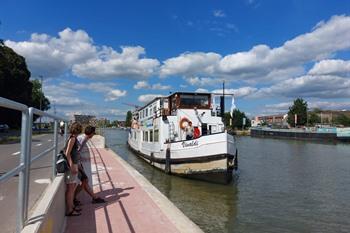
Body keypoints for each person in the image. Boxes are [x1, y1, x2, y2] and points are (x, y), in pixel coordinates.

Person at [74, 126, 105, 204]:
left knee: (84, 181)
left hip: (80, 164)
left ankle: (94, 197)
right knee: (84, 181)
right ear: (91, 133)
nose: (93, 135)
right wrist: (78, 164)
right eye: (93, 134)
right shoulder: (82, 139)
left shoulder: (84, 138)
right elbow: (76, 152)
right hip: (79, 164)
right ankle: (74, 198)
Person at [65, 122, 83, 216]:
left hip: (74, 165)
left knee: (72, 188)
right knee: (71, 189)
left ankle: (71, 206)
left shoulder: (73, 138)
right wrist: (72, 166)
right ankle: (69, 210)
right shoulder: (72, 139)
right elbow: (67, 153)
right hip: (71, 167)